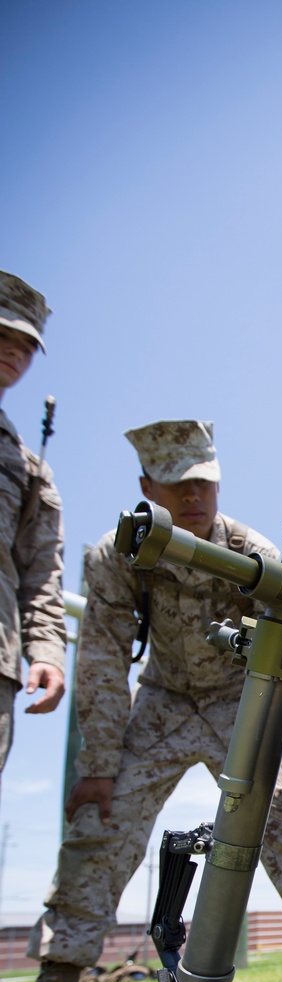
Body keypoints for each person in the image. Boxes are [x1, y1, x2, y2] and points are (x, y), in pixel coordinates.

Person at [14, 420, 282, 982]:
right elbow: (102, 665)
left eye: (204, 483)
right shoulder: (118, 557)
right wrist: (98, 768)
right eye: (177, 486)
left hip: (243, 698)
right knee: (102, 820)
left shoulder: (254, 555)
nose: (194, 498)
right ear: (148, 486)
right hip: (164, 700)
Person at [0, 272, 66, 783]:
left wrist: (45, 652)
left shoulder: (26, 469)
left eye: (26, 346)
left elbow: (40, 573)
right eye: (2, 336)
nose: (13, 353)